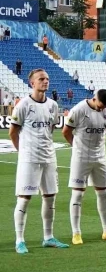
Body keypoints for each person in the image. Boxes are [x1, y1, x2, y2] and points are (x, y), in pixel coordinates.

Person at [9, 69, 67, 254]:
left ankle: (48, 237)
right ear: (32, 83)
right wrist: (23, 152)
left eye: (47, 79)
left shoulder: (53, 105)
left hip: (49, 157)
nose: (45, 81)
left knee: (50, 197)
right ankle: (19, 240)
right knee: (24, 198)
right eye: (41, 79)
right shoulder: (23, 105)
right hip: (29, 158)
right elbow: (13, 132)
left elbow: (50, 129)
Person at [62, 89, 106, 244]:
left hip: (99, 156)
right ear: (94, 99)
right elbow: (66, 131)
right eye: (100, 106)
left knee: (103, 193)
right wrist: (76, 146)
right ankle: (76, 233)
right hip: (81, 157)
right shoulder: (79, 110)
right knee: (78, 194)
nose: (102, 109)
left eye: (104, 107)